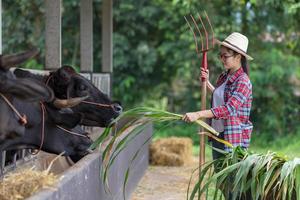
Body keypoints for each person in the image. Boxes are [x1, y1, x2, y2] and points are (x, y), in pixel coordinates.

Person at [183, 32, 253, 199]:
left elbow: (229, 109)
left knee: (232, 186)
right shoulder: (225, 76)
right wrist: (206, 82)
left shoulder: (243, 82)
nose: (222, 59)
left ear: (238, 57)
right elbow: (220, 97)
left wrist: (198, 114)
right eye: (220, 55)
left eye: (225, 56)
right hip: (217, 136)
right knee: (222, 182)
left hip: (232, 140)